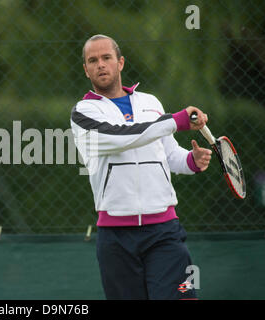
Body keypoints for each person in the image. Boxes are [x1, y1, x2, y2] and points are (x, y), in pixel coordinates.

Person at [70, 34, 212, 300]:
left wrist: (191, 161)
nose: (100, 64)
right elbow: (119, 138)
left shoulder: (151, 103)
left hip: (165, 232)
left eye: (106, 58)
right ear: (86, 69)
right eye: (93, 60)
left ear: (120, 63)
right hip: (116, 238)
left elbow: (169, 155)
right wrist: (176, 120)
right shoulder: (83, 113)